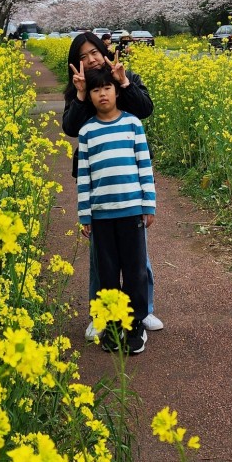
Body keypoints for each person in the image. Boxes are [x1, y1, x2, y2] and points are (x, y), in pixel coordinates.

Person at [62, 31, 163, 337]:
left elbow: (144, 109)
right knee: (101, 257)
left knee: (137, 255)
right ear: (75, 63)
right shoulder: (77, 88)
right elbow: (70, 127)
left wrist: (124, 82)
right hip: (97, 174)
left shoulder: (123, 75)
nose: (90, 59)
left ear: (104, 49)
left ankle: (141, 310)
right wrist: (80, 94)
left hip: (128, 172)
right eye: (82, 56)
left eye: (94, 52)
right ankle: (101, 312)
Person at [77, 66, 155, 355]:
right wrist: (85, 215)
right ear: (90, 96)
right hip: (101, 216)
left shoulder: (133, 124)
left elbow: (144, 168)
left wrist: (148, 205)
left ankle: (134, 326)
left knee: (135, 272)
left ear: (117, 90)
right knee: (107, 274)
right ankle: (110, 326)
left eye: (107, 88)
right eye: (96, 90)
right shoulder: (86, 132)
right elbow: (84, 178)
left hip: (131, 211)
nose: (102, 94)